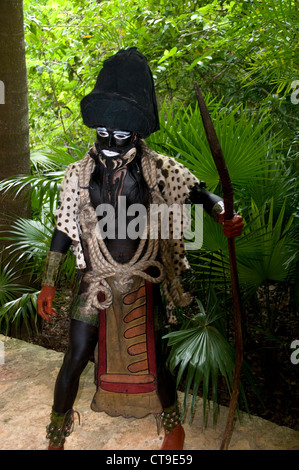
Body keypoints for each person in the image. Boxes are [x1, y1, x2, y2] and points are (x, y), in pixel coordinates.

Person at [37, 48, 244, 451]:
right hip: (94, 277)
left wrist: (223, 213)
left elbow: (201, 193)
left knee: (154, 357)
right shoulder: (77, 174)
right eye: (103, 132)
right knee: (76, 355)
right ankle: (55, 436)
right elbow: (63, 226)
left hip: (143, 278)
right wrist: (48, 282)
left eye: (120, 132)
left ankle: (172, 426)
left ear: (136, 131)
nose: (111, 141)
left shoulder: (159, 169)